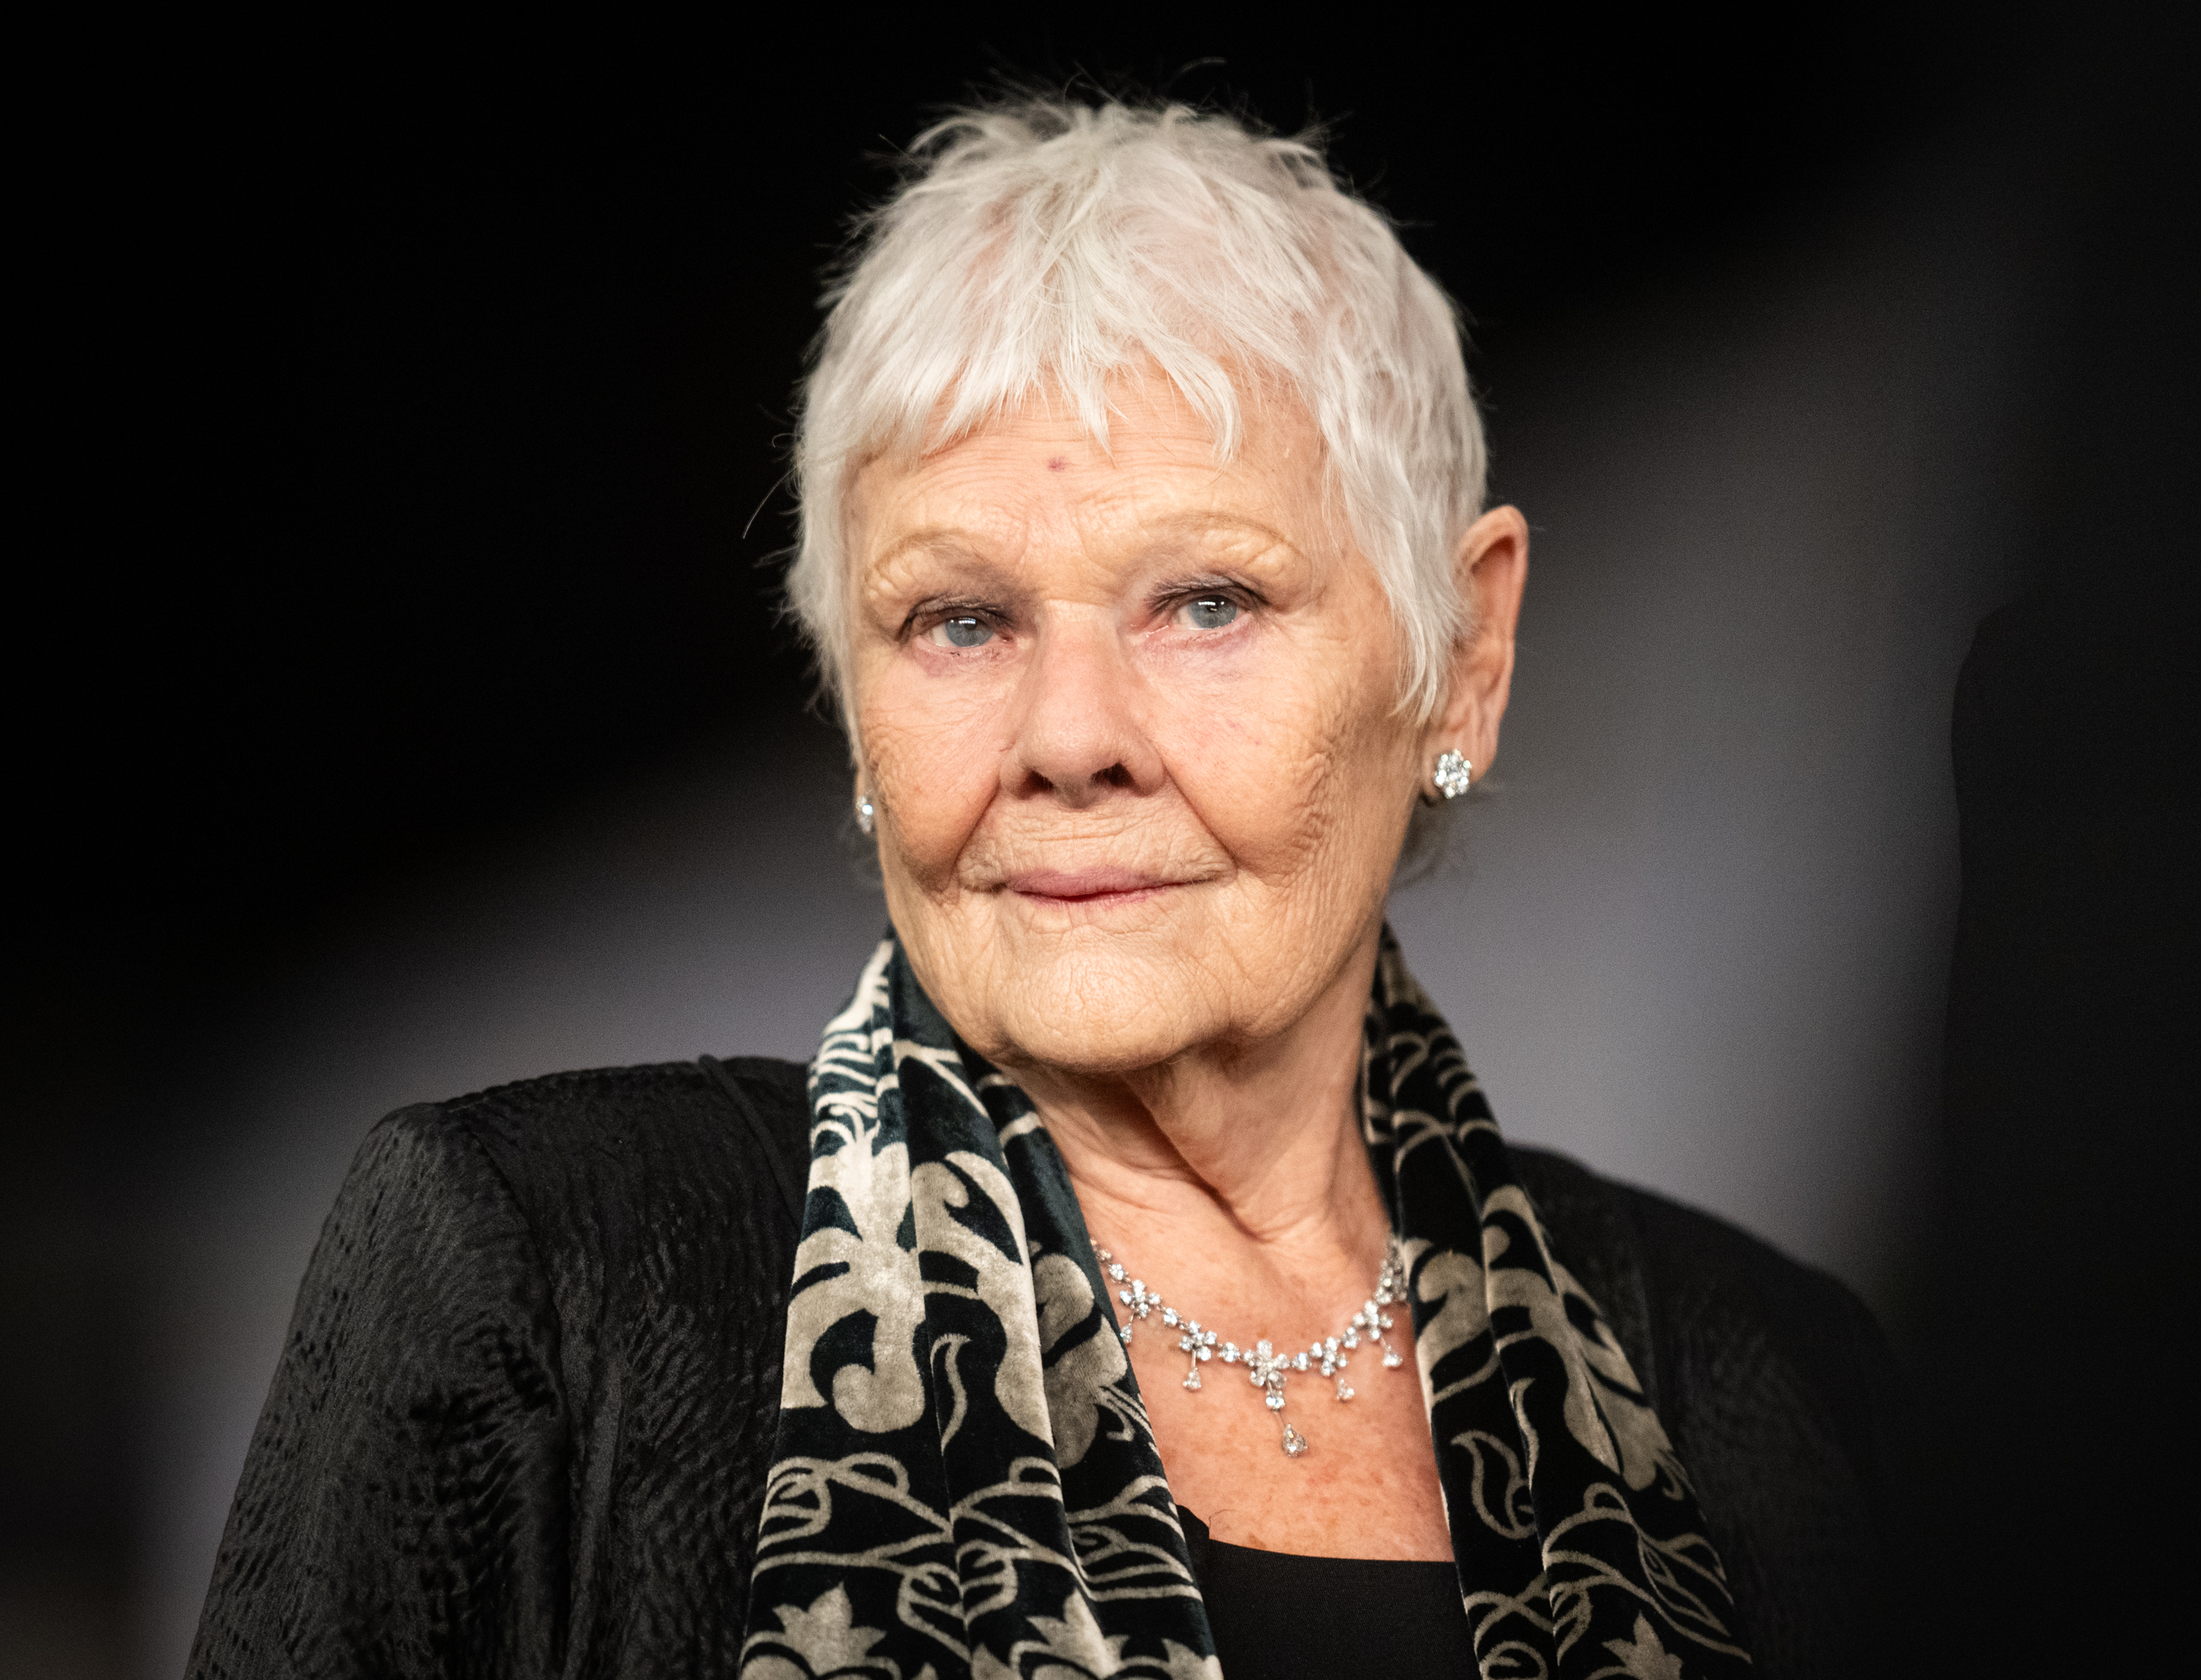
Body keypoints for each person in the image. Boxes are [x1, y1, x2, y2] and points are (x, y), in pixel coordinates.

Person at [191, 100, 1911, 1680]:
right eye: (960, 619)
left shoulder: (1776, 1391)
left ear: (1463, 660)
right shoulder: (549, 1285)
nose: (1070, 738)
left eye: (1207, 602)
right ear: (850, 703)